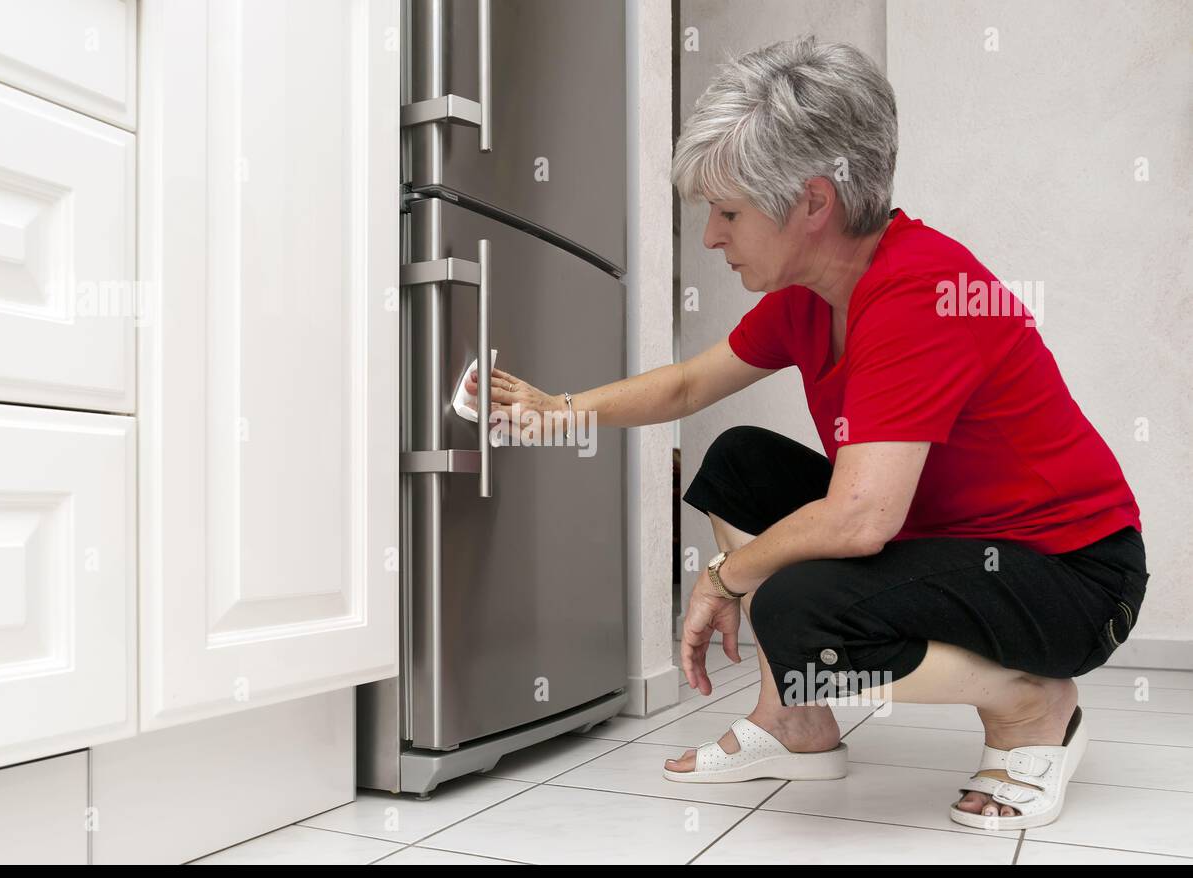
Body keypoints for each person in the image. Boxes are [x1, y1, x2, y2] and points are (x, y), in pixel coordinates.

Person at [465, 36, 1148, 831]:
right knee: (739, 464)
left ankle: (1033, 703)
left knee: (795, 607)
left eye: (728, 213)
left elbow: (864, 518)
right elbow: (690, 383)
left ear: (814, 203)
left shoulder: (923, 287)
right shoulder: (810, 292)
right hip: (949, 540)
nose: (713, 237)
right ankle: (798, 718)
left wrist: (724, 577)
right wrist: (562, 408)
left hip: (1072, 577)